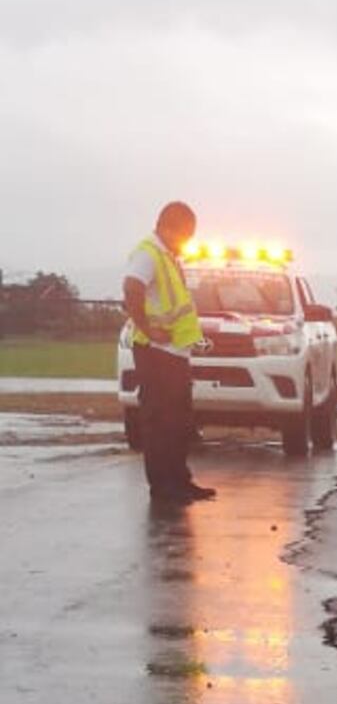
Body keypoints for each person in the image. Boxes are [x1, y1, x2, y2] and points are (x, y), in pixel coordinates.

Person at [122, 202, 216, 506]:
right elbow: (132, 288)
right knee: (160, 421)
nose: (187, 240)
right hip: (155, 352)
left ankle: (179, 480)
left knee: (179, 421)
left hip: (174, 353)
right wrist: (148, 329)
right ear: (168, 227)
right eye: (186, 234)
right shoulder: (148, 254)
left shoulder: (168, 256)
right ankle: (163, 486)